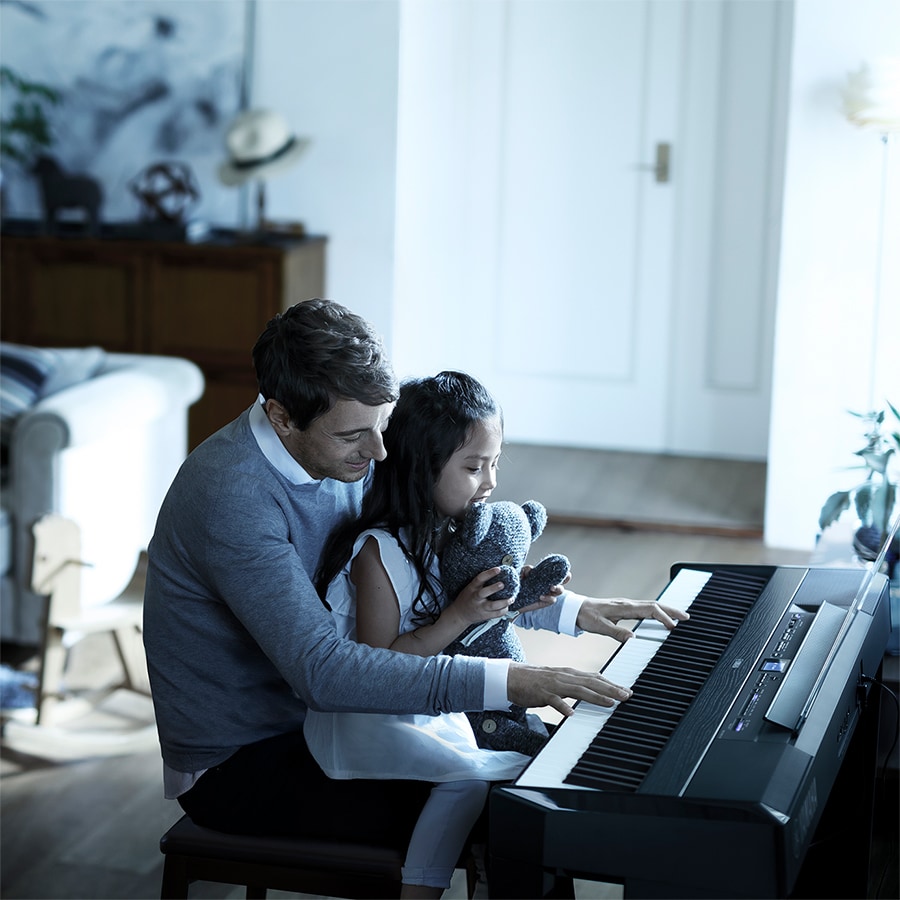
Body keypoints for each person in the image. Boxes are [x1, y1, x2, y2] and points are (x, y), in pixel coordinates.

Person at [142, 299, 687, 889]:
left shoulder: (348, 451)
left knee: (541, 777)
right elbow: (325, 676)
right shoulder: (232, 496)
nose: (379, 454)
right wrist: (512, 679)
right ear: (280, 417)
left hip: (343, 721)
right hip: (244, 759)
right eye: (354, 435)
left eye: (383, 426)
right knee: (522, 811)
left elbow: (438, 573)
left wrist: (573, 609)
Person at [306, 372, 548, 897]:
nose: (490, 483)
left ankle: (495, 878)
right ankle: (421, 891)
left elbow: (484, 604)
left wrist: (533, 602)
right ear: (422, 467)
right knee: (468, 779)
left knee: (528, 763)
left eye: (495, 463)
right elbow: (377, 668)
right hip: (369, 718)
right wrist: (458, 618)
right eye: (473, 466)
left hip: (426, 702)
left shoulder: (447, 533)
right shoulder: (379, 553)